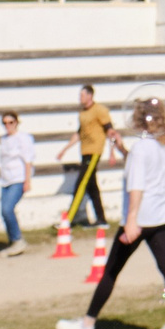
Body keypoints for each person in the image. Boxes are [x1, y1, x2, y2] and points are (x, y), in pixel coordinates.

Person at [56, 92, 165, 329]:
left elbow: (136, 185)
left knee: (111, 271)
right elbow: (144, 170)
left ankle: (86, 325)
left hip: (142, 219)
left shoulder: (143, 148)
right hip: (162, 216)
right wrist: (122, 149)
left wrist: (131, 220)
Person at [55, 83, 111, 227]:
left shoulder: (99, 110)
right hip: (85, 151)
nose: (80, 98)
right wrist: (64, 149)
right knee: (92, 186)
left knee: (81, 183)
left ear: (90, 95)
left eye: (82, 95)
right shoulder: (82, 114)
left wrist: (112, 152)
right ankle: (102, 219)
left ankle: (68, 219)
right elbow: (79, 134)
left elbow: (110, 130)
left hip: (94, 151)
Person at [0, 111, 36, 255]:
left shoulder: (23, 138)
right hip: (6, 179)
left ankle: (18, 240)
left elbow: (28, 160)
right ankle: (13, 241)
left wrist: (27, 180)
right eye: (5, 123)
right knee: (4, 212)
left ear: (16, 123)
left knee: (8, 209)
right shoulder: (3, 139)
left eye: (11, 122)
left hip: (18, 178)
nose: (8, 126)